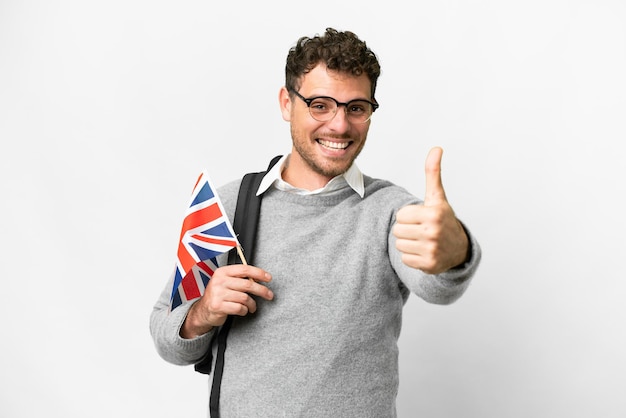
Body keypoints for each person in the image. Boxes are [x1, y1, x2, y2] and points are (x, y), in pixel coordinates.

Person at [150, 27, 481, 417]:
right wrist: (203, 312)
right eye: (320, 105)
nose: (339, 125)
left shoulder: (390, 211)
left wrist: (456, 250)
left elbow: (439, 285)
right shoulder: (227, 205)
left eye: (356, 108)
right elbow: (168, 339)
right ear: (287, 104)